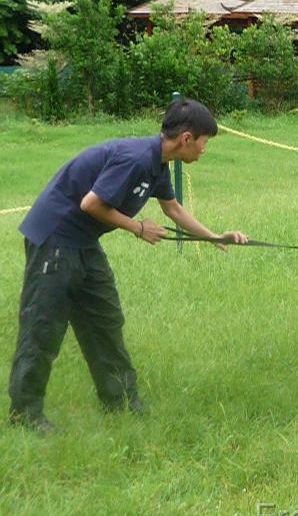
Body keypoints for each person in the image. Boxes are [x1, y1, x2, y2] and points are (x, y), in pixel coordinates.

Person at [8, 98, 248, 432]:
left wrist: (215, 237)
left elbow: (173, 209)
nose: (205, 150)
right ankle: (24, 414)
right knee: (43, 325)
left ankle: (120, 401)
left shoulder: (158, 165)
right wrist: (138, 228)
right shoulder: (135, 159)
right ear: (187, 139)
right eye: (206, 141)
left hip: (83, 242)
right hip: (55, 237)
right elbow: (91, 203)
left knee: (104, 319)